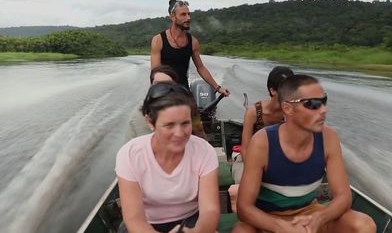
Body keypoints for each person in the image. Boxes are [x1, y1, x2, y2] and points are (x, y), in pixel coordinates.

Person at [232, 74, 376, 233]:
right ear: (287, 108)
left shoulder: (328, 138)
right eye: (313, 104)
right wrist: (282, 227)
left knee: (364, 225)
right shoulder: (262, 143)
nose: (323, 110)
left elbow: (344, 197)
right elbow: (244, 208)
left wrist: (319, 218)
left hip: (309, 214)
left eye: (324, 101)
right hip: (269, 218)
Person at [116, 82, 220, 233]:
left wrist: (198, 231)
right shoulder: (130, 154)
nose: (179, 133)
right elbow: (134, 218)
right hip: (145, 223)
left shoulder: (204, 152)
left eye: (185, 123)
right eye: (169, 125)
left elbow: (210, 211)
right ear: (150, 122)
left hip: (191, 220)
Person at [150, 0, 230, 96]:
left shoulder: (193, 42)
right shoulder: (158, 40)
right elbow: (155, 73)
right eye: (183, 14)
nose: (188, 18)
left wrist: (218, 88)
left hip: (184, 92)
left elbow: (201, 68)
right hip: (163, 92)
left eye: (189, 14)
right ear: (173, 17)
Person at [232, 66, 294, 184]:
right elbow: (245, 149)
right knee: (242, 180)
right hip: (250, 158)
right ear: (273, 91)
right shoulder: (253, 112)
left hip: (279, 157)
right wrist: (256, 170)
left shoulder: (291, 111)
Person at [126, 65, 206, 141]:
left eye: (167, 84)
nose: (162, 88)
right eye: (158, 84)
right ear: (151, 86)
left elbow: (200, 136)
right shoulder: (139, 115)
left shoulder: (189, 109)